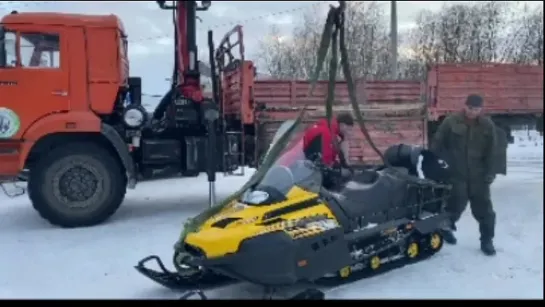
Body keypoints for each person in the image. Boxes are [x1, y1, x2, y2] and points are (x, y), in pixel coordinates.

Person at [431, 94, 498, 256]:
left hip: (479, 176)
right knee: (454, 206)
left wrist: (490, 173)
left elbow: (493, 152)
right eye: (470, 108)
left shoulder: (487, 125)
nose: (472, 112)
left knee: (484, 210)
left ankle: (486, 240)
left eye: (476, 109)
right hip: (456, 174)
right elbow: (438, 144)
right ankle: (445, 230)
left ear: (481, 109)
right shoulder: (451, 121)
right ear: (465, 106)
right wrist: (439, 167)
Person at [302, 112, 354, 188]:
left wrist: (344, 139)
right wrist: (339, 172)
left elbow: (332, 158)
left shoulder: (329, 129)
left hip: (312, 168)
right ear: (342, 125)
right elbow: (325, 163)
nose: (349, 133)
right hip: (316, 175)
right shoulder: (326, 133)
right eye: (349, 129)